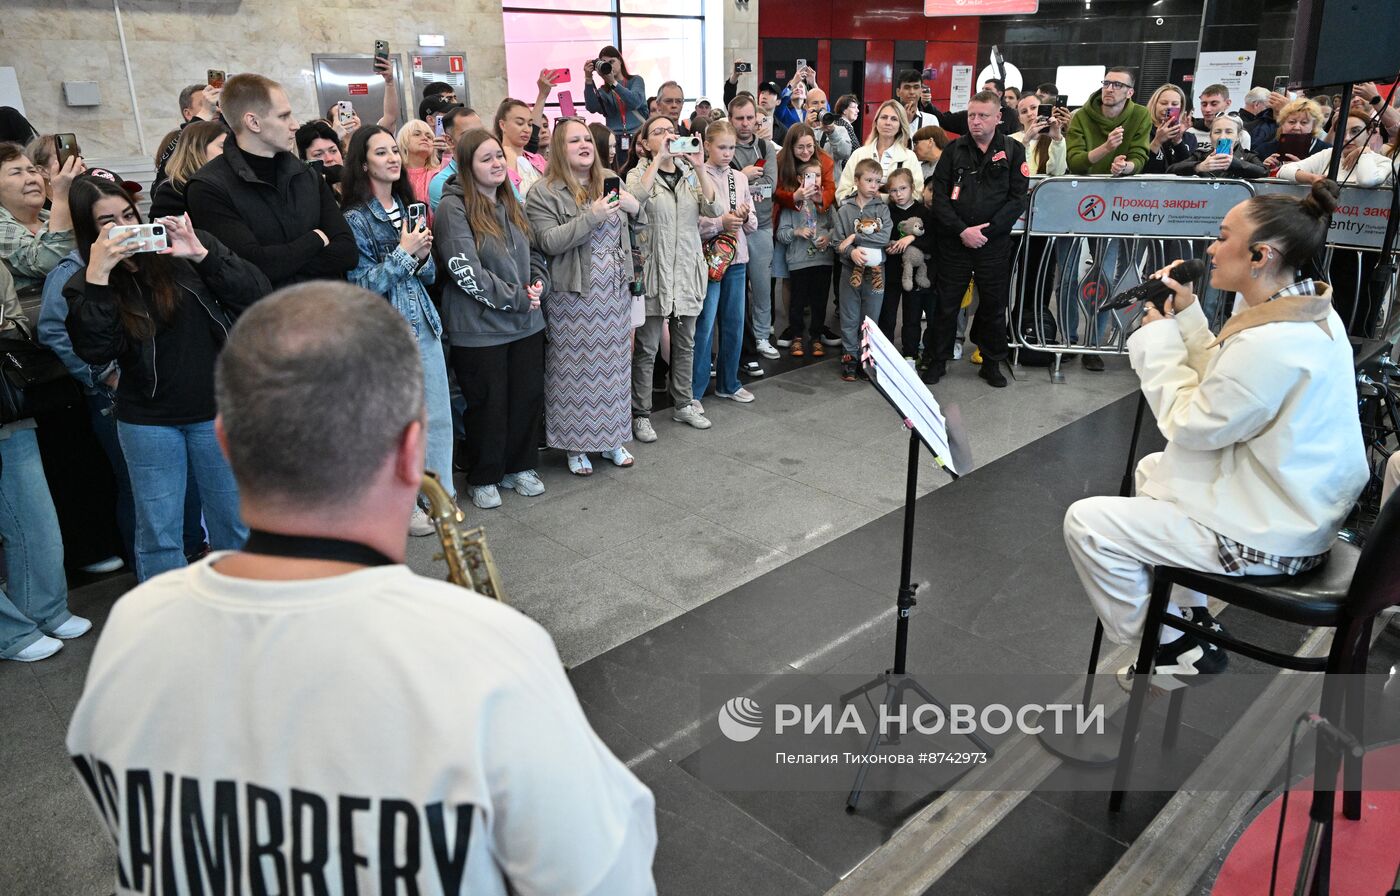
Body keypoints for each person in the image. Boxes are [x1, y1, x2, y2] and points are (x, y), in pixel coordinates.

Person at [65, 281, 659, 892]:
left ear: (226, 443)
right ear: (411, 452)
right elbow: (610, 879)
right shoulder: (493, 658)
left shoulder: (131, 633)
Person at [1064, 180, 1368, 690]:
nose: (1210, 248)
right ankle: (1188, 621)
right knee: (1153, 471)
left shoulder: (1275, 342)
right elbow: (1227, 383)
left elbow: (1190, 423)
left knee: (1088, 523)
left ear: (1260, 255)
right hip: (1296, 504)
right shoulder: (1307, 310)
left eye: (1223, 236)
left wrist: (1154, 337)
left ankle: (1168, 645)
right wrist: (1184, 316)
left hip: (1277, 534)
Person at [64, 178, 264, 580]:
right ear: (91, 232)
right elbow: (95, 350)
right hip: (148, 421)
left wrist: (203, 256)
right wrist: (99, 277)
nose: (125, 226)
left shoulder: (184, 249)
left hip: (215, 410)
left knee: (234, 524)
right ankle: (165, 622)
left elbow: (254, 295)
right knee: (159, 534)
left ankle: (246, 610)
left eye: (127, 214)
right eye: (108, 222)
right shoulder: (85, 284)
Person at [340, 125, 454, 536]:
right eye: (381, 152)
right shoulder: (354, 218)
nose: (392, 158)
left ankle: (440, 496)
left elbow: (427, 277)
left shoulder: (410, 205)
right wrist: (404, 256)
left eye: (394, 151)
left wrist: (421, 258)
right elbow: (359, 284)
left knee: (437, 417)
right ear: (362, 162)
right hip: (385, 332)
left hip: (422, 321)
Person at [434, 129, 549, 510]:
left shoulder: (510, 200)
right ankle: (485, 476)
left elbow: (533, 251)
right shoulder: (454, 207)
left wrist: (537, 285)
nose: (497, 163)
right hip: (479, 329)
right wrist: (517, 297)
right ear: (467, 166)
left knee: (525, 398)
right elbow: (464, 270)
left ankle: (520, 466)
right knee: (489, 405)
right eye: (486, 159)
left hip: (525, 322)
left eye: (499, 156)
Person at [525, 120, 644, 475]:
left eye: (587, 139)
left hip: (615, 290)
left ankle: (611, 438)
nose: (583, 145)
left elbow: (638, 226)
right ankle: (576, 446)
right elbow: (547, 242)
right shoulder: (543, 192)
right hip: (573, 295)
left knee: (616, 370)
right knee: (572, 373)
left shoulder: (609, 179)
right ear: (558, 148)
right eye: (574, 140)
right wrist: (590, 217)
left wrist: (635, 208)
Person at [185, 73, 357, 292]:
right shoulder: (208, 188)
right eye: (284, 116)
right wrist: (315, 239)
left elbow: (347, 252)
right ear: (253, 122)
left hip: (331, 308)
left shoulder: (305, 173)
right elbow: (253, 268)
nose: (294, 125)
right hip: (269, 319)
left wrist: (283, 262)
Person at [0, 262, 88, 663]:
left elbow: (17, 322)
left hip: (8, 403)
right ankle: (9, 632)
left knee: (37, 516)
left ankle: (45, 610)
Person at [626, 113, 721, 441]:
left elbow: (713, 208)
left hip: (686, 269)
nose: (667, 135)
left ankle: (683, 402)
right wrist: (659, 161)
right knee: (648, 347)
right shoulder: (639, 174)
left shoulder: (690, 174)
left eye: (671, 130)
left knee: (686, 343)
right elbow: (633, 203)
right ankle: (640, 413)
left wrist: (698, 165)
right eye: (658, 132)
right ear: (644, 143)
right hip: (655, 270)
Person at [929, 90, 1029, 389]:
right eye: (971, 115)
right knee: (946, 304)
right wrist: (962, 230)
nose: (975, 121)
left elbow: (1017, 198)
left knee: (994, 305)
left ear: (998, 118)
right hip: (955, 240)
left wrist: (988, 231)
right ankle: (937, 359)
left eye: (983, 115)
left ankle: (991, 361)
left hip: (994, 243)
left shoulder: (1012, 151)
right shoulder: (954, 150)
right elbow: (940, 197)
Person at [695, 120, 759, 406]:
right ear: (707, 145)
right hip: (708, 258)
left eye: (731, 147)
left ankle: (729, 383)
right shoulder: (695, 175)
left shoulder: (740, 178)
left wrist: (744, 217)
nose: (727, 153)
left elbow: (753, 224)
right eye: (721, 147)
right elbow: (692, 223)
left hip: (737, 258)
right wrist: (719, 222)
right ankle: (694, 393)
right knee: (705, 326)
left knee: (734, 323)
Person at [728, 95, 783, 363]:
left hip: (760, 226)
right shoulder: (725, 147)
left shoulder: (765, 146)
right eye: (740, 118)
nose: (746, 123)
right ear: (731, 120)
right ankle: (739, 340)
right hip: (731, 229)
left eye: (750, 118)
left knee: (762, 287)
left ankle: (762, 336)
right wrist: (745, 177)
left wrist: (739, 181)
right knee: (734, 293)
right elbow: (721, 190)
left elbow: (769, 186)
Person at [773, 124, 836, 352]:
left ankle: (816, 331)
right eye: (800, 147)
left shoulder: (825, 161)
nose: (805, 151)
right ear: (791, 146)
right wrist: (794, 196)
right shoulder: (781, 161)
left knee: (820, 294)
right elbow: (775, 192)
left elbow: (831, 192)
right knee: (791, 282)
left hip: (821, 251)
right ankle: (795, 329)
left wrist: (820, 199)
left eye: (810, 146)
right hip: (794, 235)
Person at [831, 158, 891, 382]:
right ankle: (850, 357)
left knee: (870, 318)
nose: (874, 185)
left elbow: (884, 237)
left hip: (876, 273)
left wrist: (856, 237)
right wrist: (851, 252)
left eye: (878, 181)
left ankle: (867, 359)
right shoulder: (845, 210)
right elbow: (838, 243)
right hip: (850, 271)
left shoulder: (883, 210)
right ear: (856, 181)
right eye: (869, 180)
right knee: (849, 315)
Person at [0, 142, 82, 294]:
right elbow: (48, 263)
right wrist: (62, 194)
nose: (31, 179)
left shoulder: (48, 217)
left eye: (32, 170)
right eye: (16, 173)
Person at [883, 167, 937, 360]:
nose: (898, 194)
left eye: (903, 189)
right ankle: (886, 354)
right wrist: (888, 246)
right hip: (891, 271)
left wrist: (911, 238)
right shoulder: (887, 211)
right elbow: (884, 237)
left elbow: (931, 241)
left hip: (914, 274)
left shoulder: (923, 212)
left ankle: (910, 355)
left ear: (912, 187)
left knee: (912, 317)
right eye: (893, 191)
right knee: (887, 316)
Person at [1066, 67, 1152, 177]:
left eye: (1117, 85)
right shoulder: (1081, 115)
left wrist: (1123, 166)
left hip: (1122, 186)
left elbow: (1139, 158)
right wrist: (1106, 148)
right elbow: (1074, 163)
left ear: (1129, 93)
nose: (1109, 89)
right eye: (1106, 83)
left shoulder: (1140, 114)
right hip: (1086, 186)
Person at [837, 100, 922, 200]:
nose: (888, 122)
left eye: (894, 119)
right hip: (860, 214)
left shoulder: (909, 157)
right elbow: (841, 194)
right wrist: (863, 193)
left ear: (900, 126)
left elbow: (918, 195)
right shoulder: (858, 155)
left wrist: (882, 197)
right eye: (884, 117)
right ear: (876, 122)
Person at [1278, 113, 1392, 188]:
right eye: (1342, 132)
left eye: (1355, 131)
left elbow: (1366, 181)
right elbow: (1283, 170)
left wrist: (1364, 152)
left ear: (1369, 133)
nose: (1347, 138)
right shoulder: (1328, 154)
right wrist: (1313, 178)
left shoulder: (1383, 162)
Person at [149, 120, 228, 218]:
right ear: (195, 148)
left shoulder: (226, 184)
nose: (229, 153)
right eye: (223, 147)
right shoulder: (172, 192)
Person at [1168, 113, 1268, 179]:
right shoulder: (1201, 155)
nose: (1222, 137)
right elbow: (1171, 170)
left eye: (1229, 132)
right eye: (1217, 132)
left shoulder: (1248, 156)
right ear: (1210, 136)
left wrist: (1234, 163)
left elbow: (1264, 173)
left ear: (1238, 136)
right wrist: (1199, 167)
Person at [428, 105, 484, 211]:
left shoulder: (495, 169)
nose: (478, 139)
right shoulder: (442, 183)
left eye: (480, 132)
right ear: (449, 140)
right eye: (468, 134)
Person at [585, 45, 647, 138]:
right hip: (614, 139)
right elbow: (592, 107)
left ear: (620, 61)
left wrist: (613, 83)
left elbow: (635, 102)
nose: (609, 66)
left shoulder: (636, 80)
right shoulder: (604, 91)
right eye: (605, 64)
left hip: (637, 137)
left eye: (612, 62)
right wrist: (588, 79)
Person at [1255, 97, 1330, 173]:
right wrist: (1262, 169)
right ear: (1282, 123)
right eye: (1292, 122)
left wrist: (1301, 172)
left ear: (1313, 126)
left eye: (1304, 123)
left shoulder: (1326, 153)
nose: (1297, 127)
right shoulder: (1264, 150)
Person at [493, 98, 547, 197]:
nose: (527, 129)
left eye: (530, 124)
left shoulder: (538, 159)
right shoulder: (494, 161)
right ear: (502, 125)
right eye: (520, 123)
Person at [396, 119, 445, 222]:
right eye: (417, 134)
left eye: (429, 136)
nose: (424, 138)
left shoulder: (441, 171)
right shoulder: (395, 175)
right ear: (403, 141)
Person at [1141, 84, 1195, 174]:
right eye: (1164, 103)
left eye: (1174, 104)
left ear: (1181, 107)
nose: (1169, 107)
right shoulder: (1143, 130)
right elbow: (1144, 169)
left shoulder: (1189, 137)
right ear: (1154, 105)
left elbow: (1187, 170)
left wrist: (1178, 142)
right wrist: (1157, 142)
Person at [1012, 95, 1068, 176]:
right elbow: (1016, 172)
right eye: (1024, 111)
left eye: (1034, 107)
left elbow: (1058, 173)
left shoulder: (1054, 139)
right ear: (1020, 119)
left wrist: (1057, 140)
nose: (1029, 113)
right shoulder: (1010, 139)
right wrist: (1025, 141)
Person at [1188, 84, 1250, 150]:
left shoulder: (1241, 135)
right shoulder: (1190, 133)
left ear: (1228, 103)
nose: (1207, 109)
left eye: (1214, 104)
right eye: (1204, 104)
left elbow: (1245, 158)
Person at [896, 70, 941, 138]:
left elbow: (936, 147)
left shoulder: (930, 120)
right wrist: (906, 122)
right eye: (907, 87)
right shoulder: (888, 118)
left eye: (916, 87)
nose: (912, 92)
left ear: (921, 91)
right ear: (898, 92)